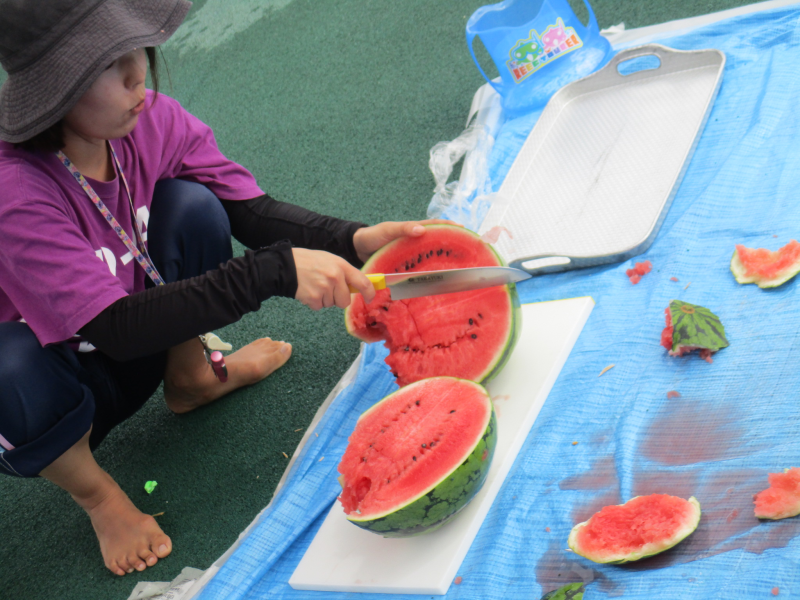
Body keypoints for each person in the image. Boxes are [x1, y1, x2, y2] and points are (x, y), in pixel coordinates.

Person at [0, 0, 446, 577]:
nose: (138, 74)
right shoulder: (15, 189)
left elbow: (249, 212)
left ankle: (189, 378)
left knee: (194, 208)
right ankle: (99, 499)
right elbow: (114, 326)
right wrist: (272, 272)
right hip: (53, 391)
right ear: (53, 90)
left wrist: (354, 238)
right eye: (107, 66)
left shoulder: (149, 118)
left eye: (134, 47)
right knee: (6, 367)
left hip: (145, 341)